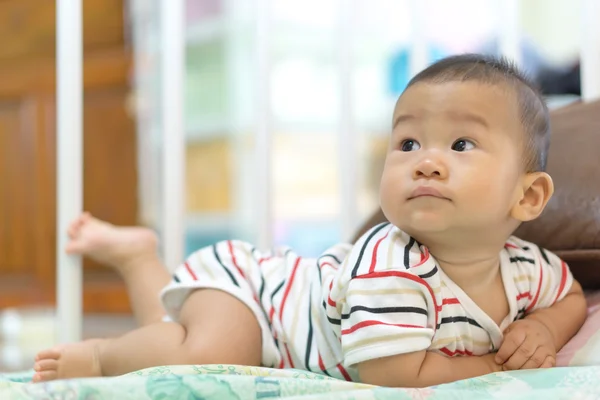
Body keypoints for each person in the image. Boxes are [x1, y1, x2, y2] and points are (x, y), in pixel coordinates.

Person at [33, 54, 587, 388]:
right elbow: (395, 376)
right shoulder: (392, 265)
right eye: (408, 141)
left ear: (529, 196)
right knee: (210, 353)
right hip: (260, 296)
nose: (425, 159)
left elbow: (570, 297)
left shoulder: (525, 268)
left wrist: (542, 328)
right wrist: (495, 365)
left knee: (177, 330)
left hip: (271, 292)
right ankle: (103, 356)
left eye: (461, 143)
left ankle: (137, 257)